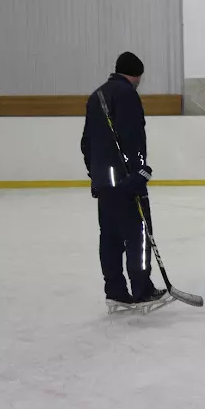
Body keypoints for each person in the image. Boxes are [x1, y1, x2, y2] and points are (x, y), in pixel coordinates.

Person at [81, 51, 167, 311]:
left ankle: (116, 292)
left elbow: (86, 143)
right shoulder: (127, 94)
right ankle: (142, 290)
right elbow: (132, 136)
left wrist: (95, 172)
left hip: (103, 182)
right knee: (137, 235)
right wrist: (139, 171)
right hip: (126, 181)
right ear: (137, 74)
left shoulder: (95, 96)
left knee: (109, 237)